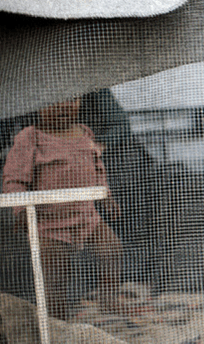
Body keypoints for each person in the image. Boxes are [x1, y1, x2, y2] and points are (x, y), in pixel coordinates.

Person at [2, 97, 141, 319]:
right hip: (49, 223)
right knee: (56, 277)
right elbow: (15, 178)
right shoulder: (31, 136)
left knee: (113, 251)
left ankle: (108, 298)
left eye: (72, 100)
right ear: (37, 105)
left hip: (87, 216)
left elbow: (97, 168)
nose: (64, 106)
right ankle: (58, 325)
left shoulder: (84, 132)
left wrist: (106, 195)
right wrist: (20, 209)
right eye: (54, 102)